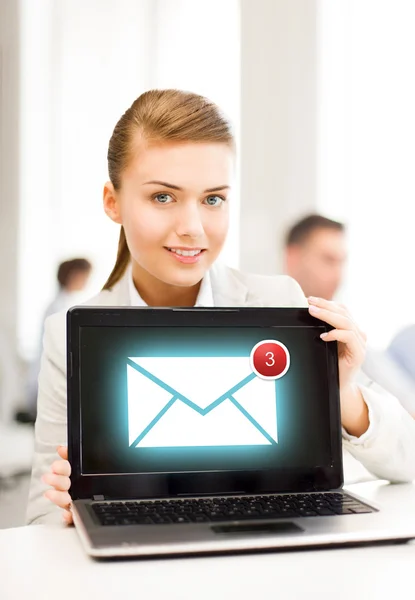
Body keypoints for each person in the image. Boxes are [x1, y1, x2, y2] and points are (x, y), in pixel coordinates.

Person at [27, 90, 415, 526]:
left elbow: (408, 460)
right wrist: (65, 512)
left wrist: (342, 392)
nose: (192, 228)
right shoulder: (68, 333)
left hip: (275, 551)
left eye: (213, 199)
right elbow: (41, 515)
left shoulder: (281, 302)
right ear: (112, 201)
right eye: (162, 197)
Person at [283, 214, 415, 416]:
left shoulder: (348, 336)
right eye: (328, 260)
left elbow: (406, 404)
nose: (338, 275)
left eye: (341, 262)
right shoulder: (266, 323)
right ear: (293, 258)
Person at [22, 258, 92, 422]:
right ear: (74, 275)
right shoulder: (59, 308)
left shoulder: (63, 304)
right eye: (85, 276)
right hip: (49, 384)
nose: (87, 281)